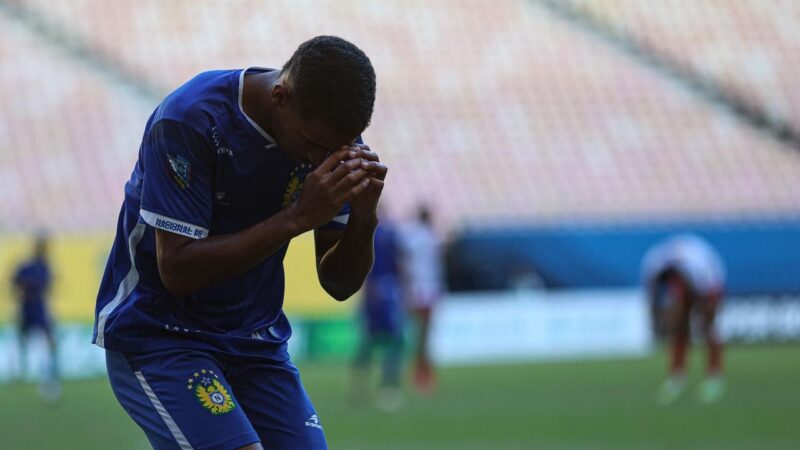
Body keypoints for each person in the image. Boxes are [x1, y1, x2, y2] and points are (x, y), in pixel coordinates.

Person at [92, 36, 386, 450]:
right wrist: (298, 217)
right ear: (280, 97)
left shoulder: (332, 143)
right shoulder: (191, 120)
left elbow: (338, 284)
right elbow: (176, 269)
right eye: (314, 145)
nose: (320, 161)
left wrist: (365, 217)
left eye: (337, 148)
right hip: (161, 334)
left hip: (255, 342)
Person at [641, 234, 726, 405]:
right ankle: (677, 377)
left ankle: (714, 377)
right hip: (686, 274)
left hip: (711, 281)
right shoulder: (654, 263)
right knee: (679, 328)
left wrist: (703, 315)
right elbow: (652, 295)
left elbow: (708, 299)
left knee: (708, 329)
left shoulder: (700, 268)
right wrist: (655, 320)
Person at [349, 207, 405, 411]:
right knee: (393, 342)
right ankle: (388, 386)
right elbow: (400, 263)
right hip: (388, 293)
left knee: (368, 343)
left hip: (372, 292)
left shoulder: (366, 234)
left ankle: (358, 385)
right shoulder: (390, 233)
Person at [399, 205, 444, 394]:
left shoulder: (413, 236)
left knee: (416, 334)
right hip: (428, 289)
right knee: (424, 335)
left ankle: (419, 373)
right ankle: (423, 374)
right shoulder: (432, 237)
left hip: (415, 289)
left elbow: (404, 260)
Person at [13, 234, 60, 401]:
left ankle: (48, 377)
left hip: (38, 309)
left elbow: (47, 289)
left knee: (47, 342)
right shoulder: (30, 267)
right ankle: (21, 371)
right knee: (23, 341)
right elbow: (15, 284)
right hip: (29, 309)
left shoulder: (42, 267)